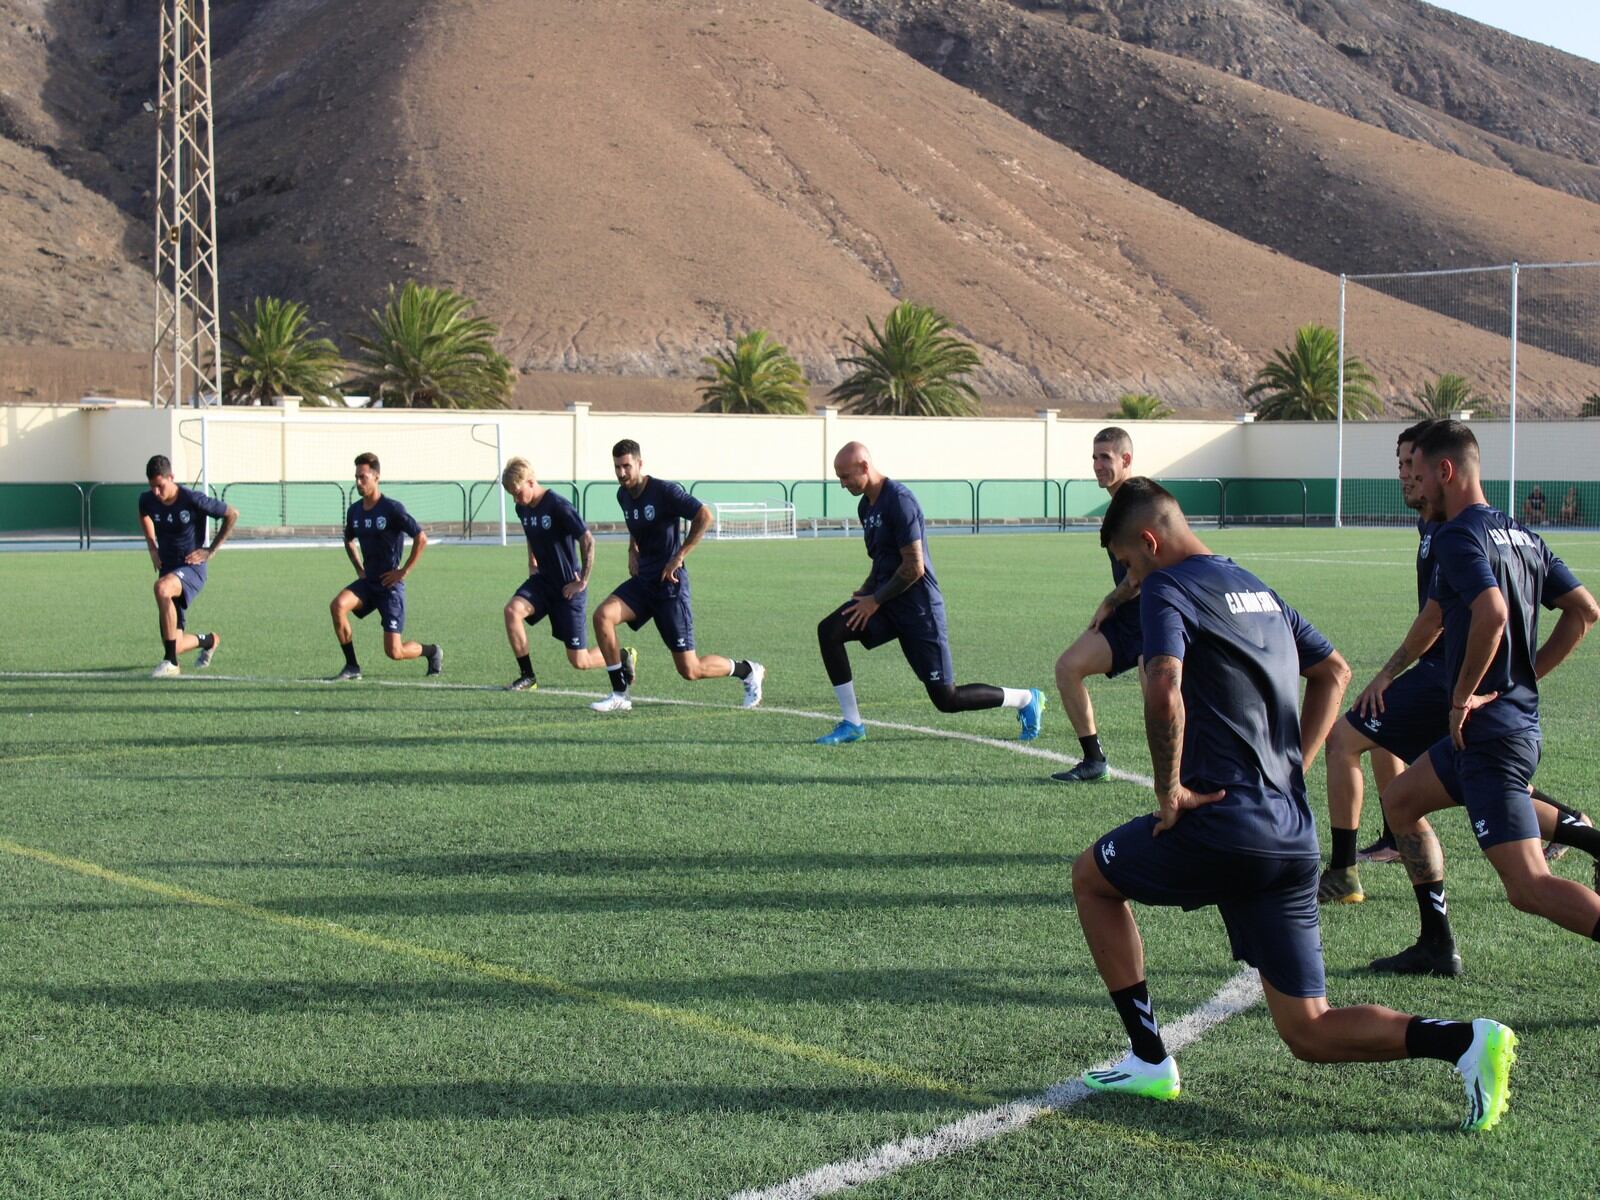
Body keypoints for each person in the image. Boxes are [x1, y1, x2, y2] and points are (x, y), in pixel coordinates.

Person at [1071, 477, 1516, 1132]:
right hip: (1288, 831)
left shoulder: (1170, 585)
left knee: (1091, 879)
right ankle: (1465, 1042)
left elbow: (1165, 683)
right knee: (1309, 1031)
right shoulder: (1255, 586)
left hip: (1222, 823)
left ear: (1147, 540)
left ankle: (1148, 1058)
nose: (1132, 580)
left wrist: (1169, 789)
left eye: (1131, 565)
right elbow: (1334, 670)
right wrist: (1292, 767)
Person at [1324, 424, 1593, 905]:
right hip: (1491, 709)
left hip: (1461, 691)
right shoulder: (1514, 531)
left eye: (1415, 468)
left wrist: (1464, 693)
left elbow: (1487, 612)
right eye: (1402, 467)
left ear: (1443, 471)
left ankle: (1344, 871)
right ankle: (1433, 936)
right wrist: (1518, 676)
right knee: (1408, 794)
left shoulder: (1454, 532)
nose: (1408, 479)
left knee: (1527, 886)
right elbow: (1584, 610)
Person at [814, 441, 1043, 744]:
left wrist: (874, 600)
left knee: (946, 699)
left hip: (918, 611)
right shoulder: (865, 507)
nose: (842, 485)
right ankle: (852, 724)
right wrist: (868, 589)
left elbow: (914, 567)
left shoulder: (900, 500)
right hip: (886, 605)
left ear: (864, 467)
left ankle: (1026, 699)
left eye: (845, 477)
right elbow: (883, 559)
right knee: (830, 630)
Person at [588, 440, 763, 713]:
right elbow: (636, 524)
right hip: (643, 582)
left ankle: (748, 670)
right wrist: (631, 550)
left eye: (626, 466)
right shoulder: (623, 495)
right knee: (602, 616)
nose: (622, 473)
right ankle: (619, 694)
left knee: (690, 670)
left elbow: (704, 515)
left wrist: (679, 555)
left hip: (670, 587)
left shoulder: (664, 491)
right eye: (617, 467)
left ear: (640, 464)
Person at [1052, 427, 1141, 782]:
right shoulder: (1117, 506)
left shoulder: (1139, 504)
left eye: (1105, 457)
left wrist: (1109, 602)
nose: (1097, 465)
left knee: (1162, 703)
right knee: (1067, 668)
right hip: (1130, 617)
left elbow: (1139, 576)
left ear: (1126, 459)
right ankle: (1094, 760)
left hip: (1161, 616)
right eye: (1094, 457)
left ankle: (1185, 780)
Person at [499, 457, 617, 691]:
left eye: (517, 492)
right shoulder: (521, 507)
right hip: (543, 582)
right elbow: (530, 533)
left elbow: (587, 539)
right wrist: (531, 560)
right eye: (511, 494)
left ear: (531, 482)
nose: (515, 498)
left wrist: (582, 580)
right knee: (512, 611)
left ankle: (620, 656)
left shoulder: (558, 506)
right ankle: (528, 676)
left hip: (567, 587)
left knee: (579, 661)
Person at [328, 452, 442, 681]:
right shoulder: (355, 511)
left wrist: (403, 571)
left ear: (376, 477)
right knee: (338, 605)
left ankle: (432, 651)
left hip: (390, 586)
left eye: (363, 477)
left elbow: (421, 537)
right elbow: (348, 539)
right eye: (356, 477)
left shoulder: (392, 508)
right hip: (368, 582)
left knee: (394, 652)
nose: (359, 482)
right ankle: (352, 667)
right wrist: (359, 569)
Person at [138, 454, 238, 678]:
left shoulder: (192, 499)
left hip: (191, 569)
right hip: (168, 569)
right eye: (152, 486)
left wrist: (210, 550)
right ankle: (210, 640)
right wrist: (152, 547)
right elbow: (143, 512)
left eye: (160, 486)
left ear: (171, 477)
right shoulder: (147, 499)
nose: (156, 492)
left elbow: (232, 514)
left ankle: (170, 663)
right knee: (175, 642)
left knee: (161, 588)